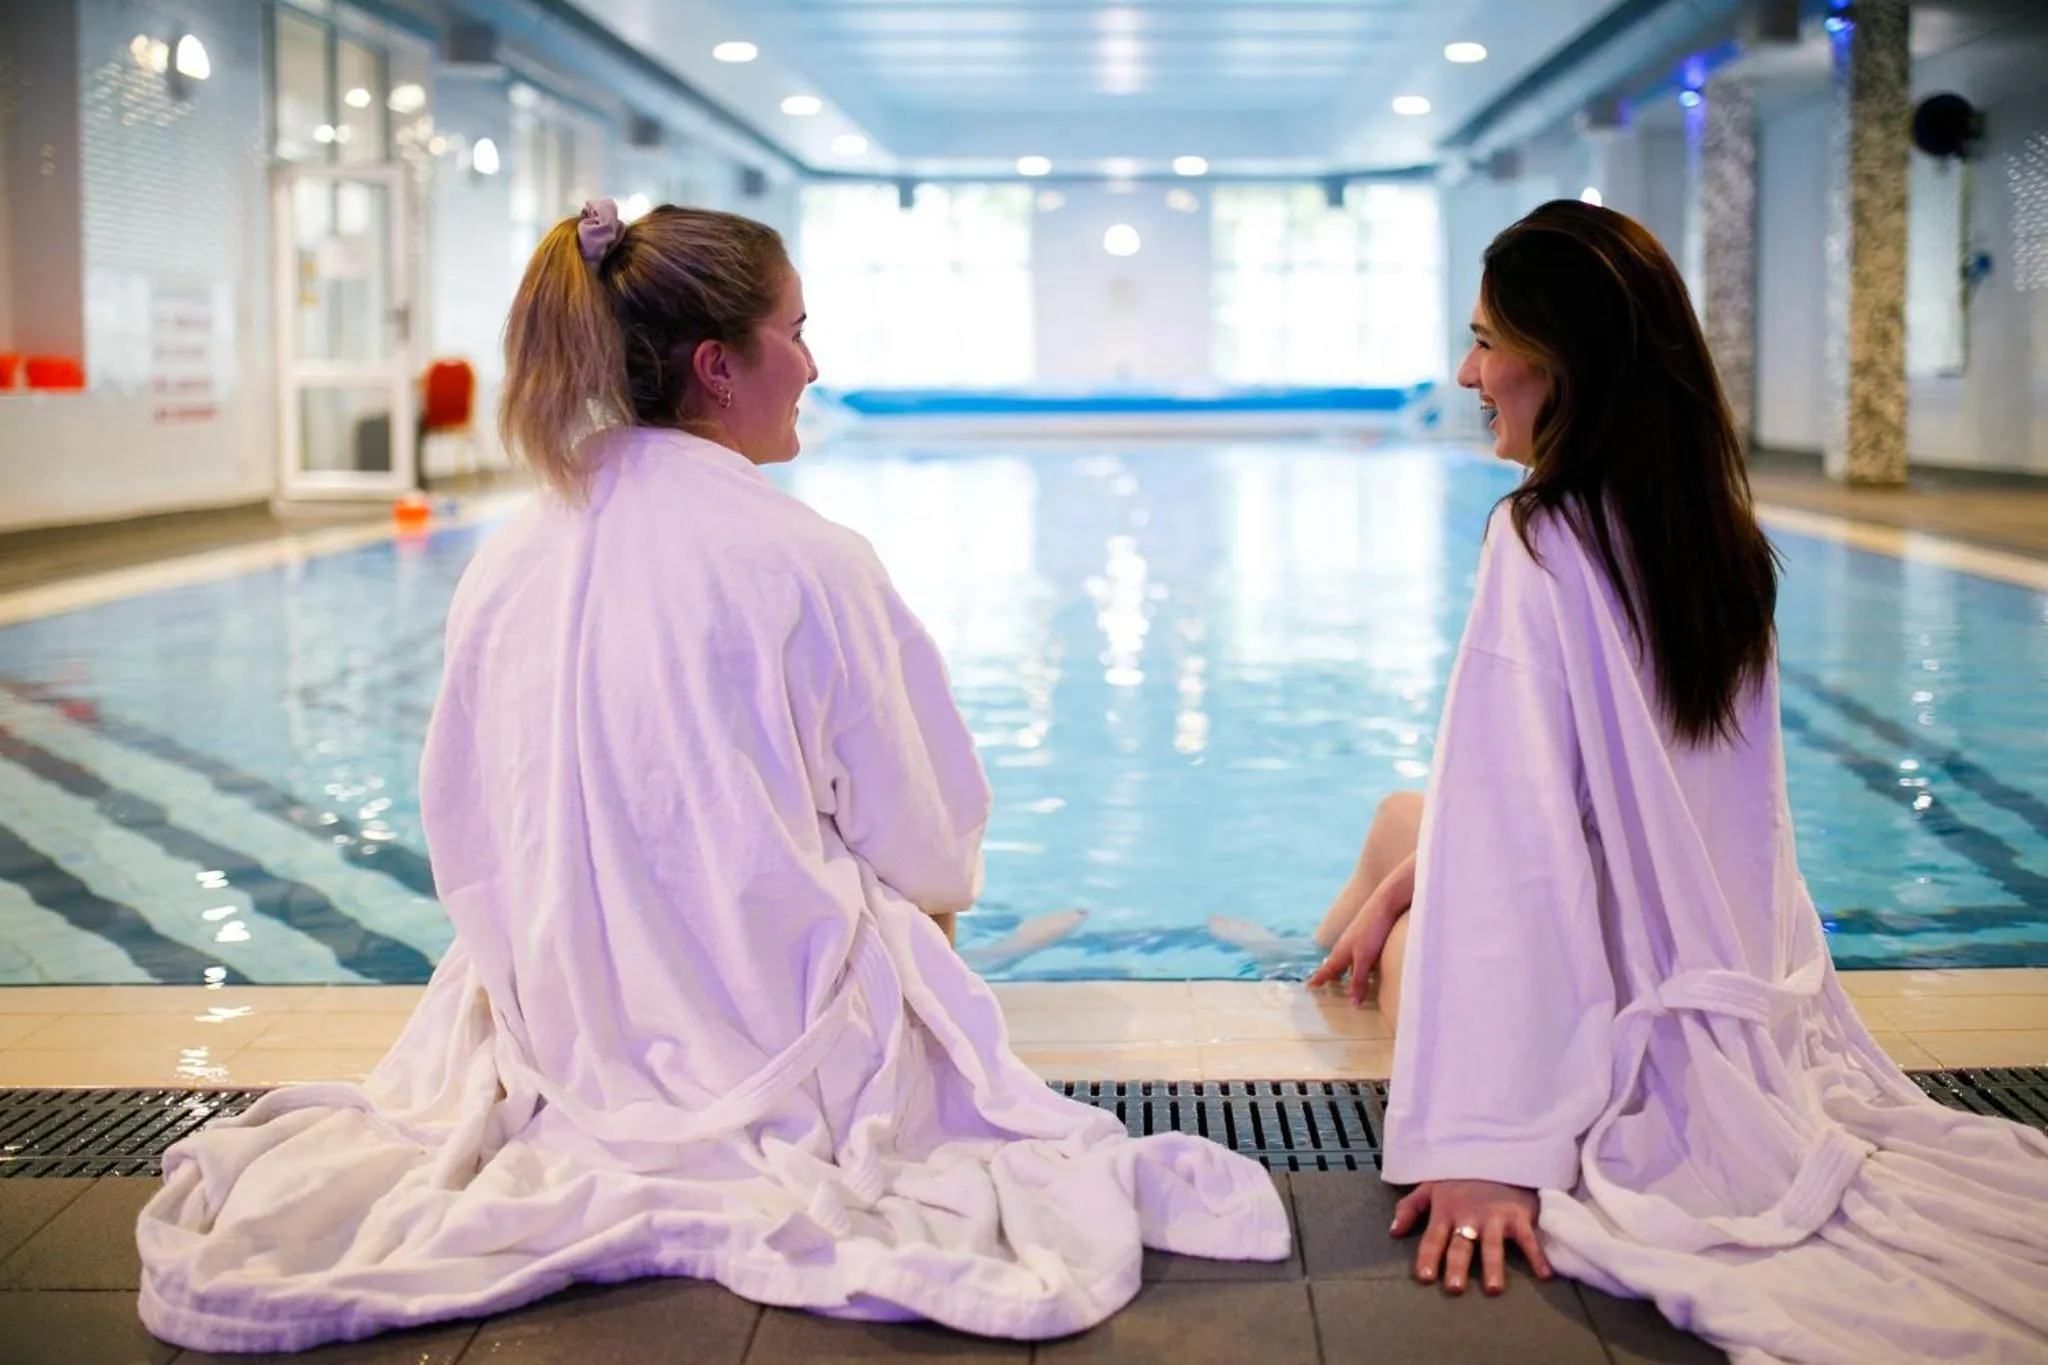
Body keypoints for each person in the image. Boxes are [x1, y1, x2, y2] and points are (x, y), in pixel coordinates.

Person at [135, 200, 1285, 1353]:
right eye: (795, 329)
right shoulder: (805, 560)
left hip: (561, 1021)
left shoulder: (507, 559)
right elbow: (923, 830)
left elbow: (467, 831)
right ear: (717, 365)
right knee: (911, 901)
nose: (814, 362)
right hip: (764, 1030)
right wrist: (923, 915)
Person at [1311, 200, 2048, 1360]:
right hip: (1715, 970)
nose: (1467, 372)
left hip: (1602, 1023)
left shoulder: (1538, 535)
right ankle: (1353, 924)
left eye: (1487, 341)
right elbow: (1682, 821)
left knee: (1384, 910)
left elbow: (1514, 853)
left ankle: (1319, 958)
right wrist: (1423, 871)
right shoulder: (1718, 539)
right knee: (1403, 828)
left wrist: (1482, 1146)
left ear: (1563, 364)